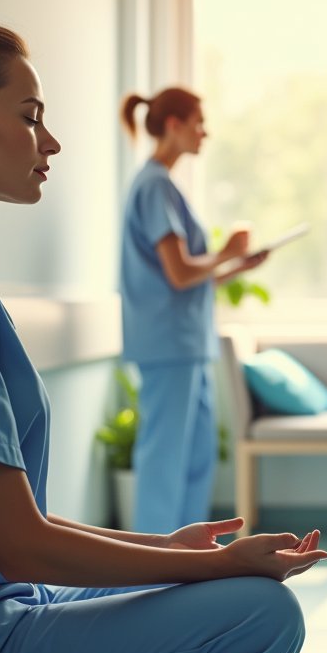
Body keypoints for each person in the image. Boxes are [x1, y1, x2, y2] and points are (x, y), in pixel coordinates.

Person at [0, 7, 326, 653]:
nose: (49, 143)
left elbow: (23, 527)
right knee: (260, 612)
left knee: (243, 595)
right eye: (29, 116)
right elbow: (23, 545)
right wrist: (214, 570)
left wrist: (168, 551)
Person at [119, 87, 267, 534]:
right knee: (165, 457)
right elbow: (180, 273)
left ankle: (186, 557)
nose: (206, 131)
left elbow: (187, 278)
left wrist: (235, 265)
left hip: (187, 342)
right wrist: (224, 254)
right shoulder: (155, 185)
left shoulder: (164, 185)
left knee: (197, 456)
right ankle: (150, 566)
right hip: (169, 343)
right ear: (173, 125)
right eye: (199, 121)